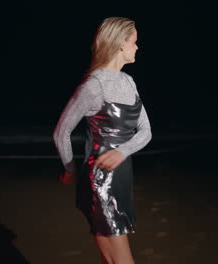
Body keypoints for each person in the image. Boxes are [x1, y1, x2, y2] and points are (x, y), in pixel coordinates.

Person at [53, 17, 152, 264]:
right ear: (120, 44)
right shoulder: (93, 86)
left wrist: (122, 152)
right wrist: (70, 171)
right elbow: (61, 132)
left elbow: (146, 131)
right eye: (134, 42)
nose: (137, 47)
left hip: (122, 178)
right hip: (101, 183)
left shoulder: (129, 81)